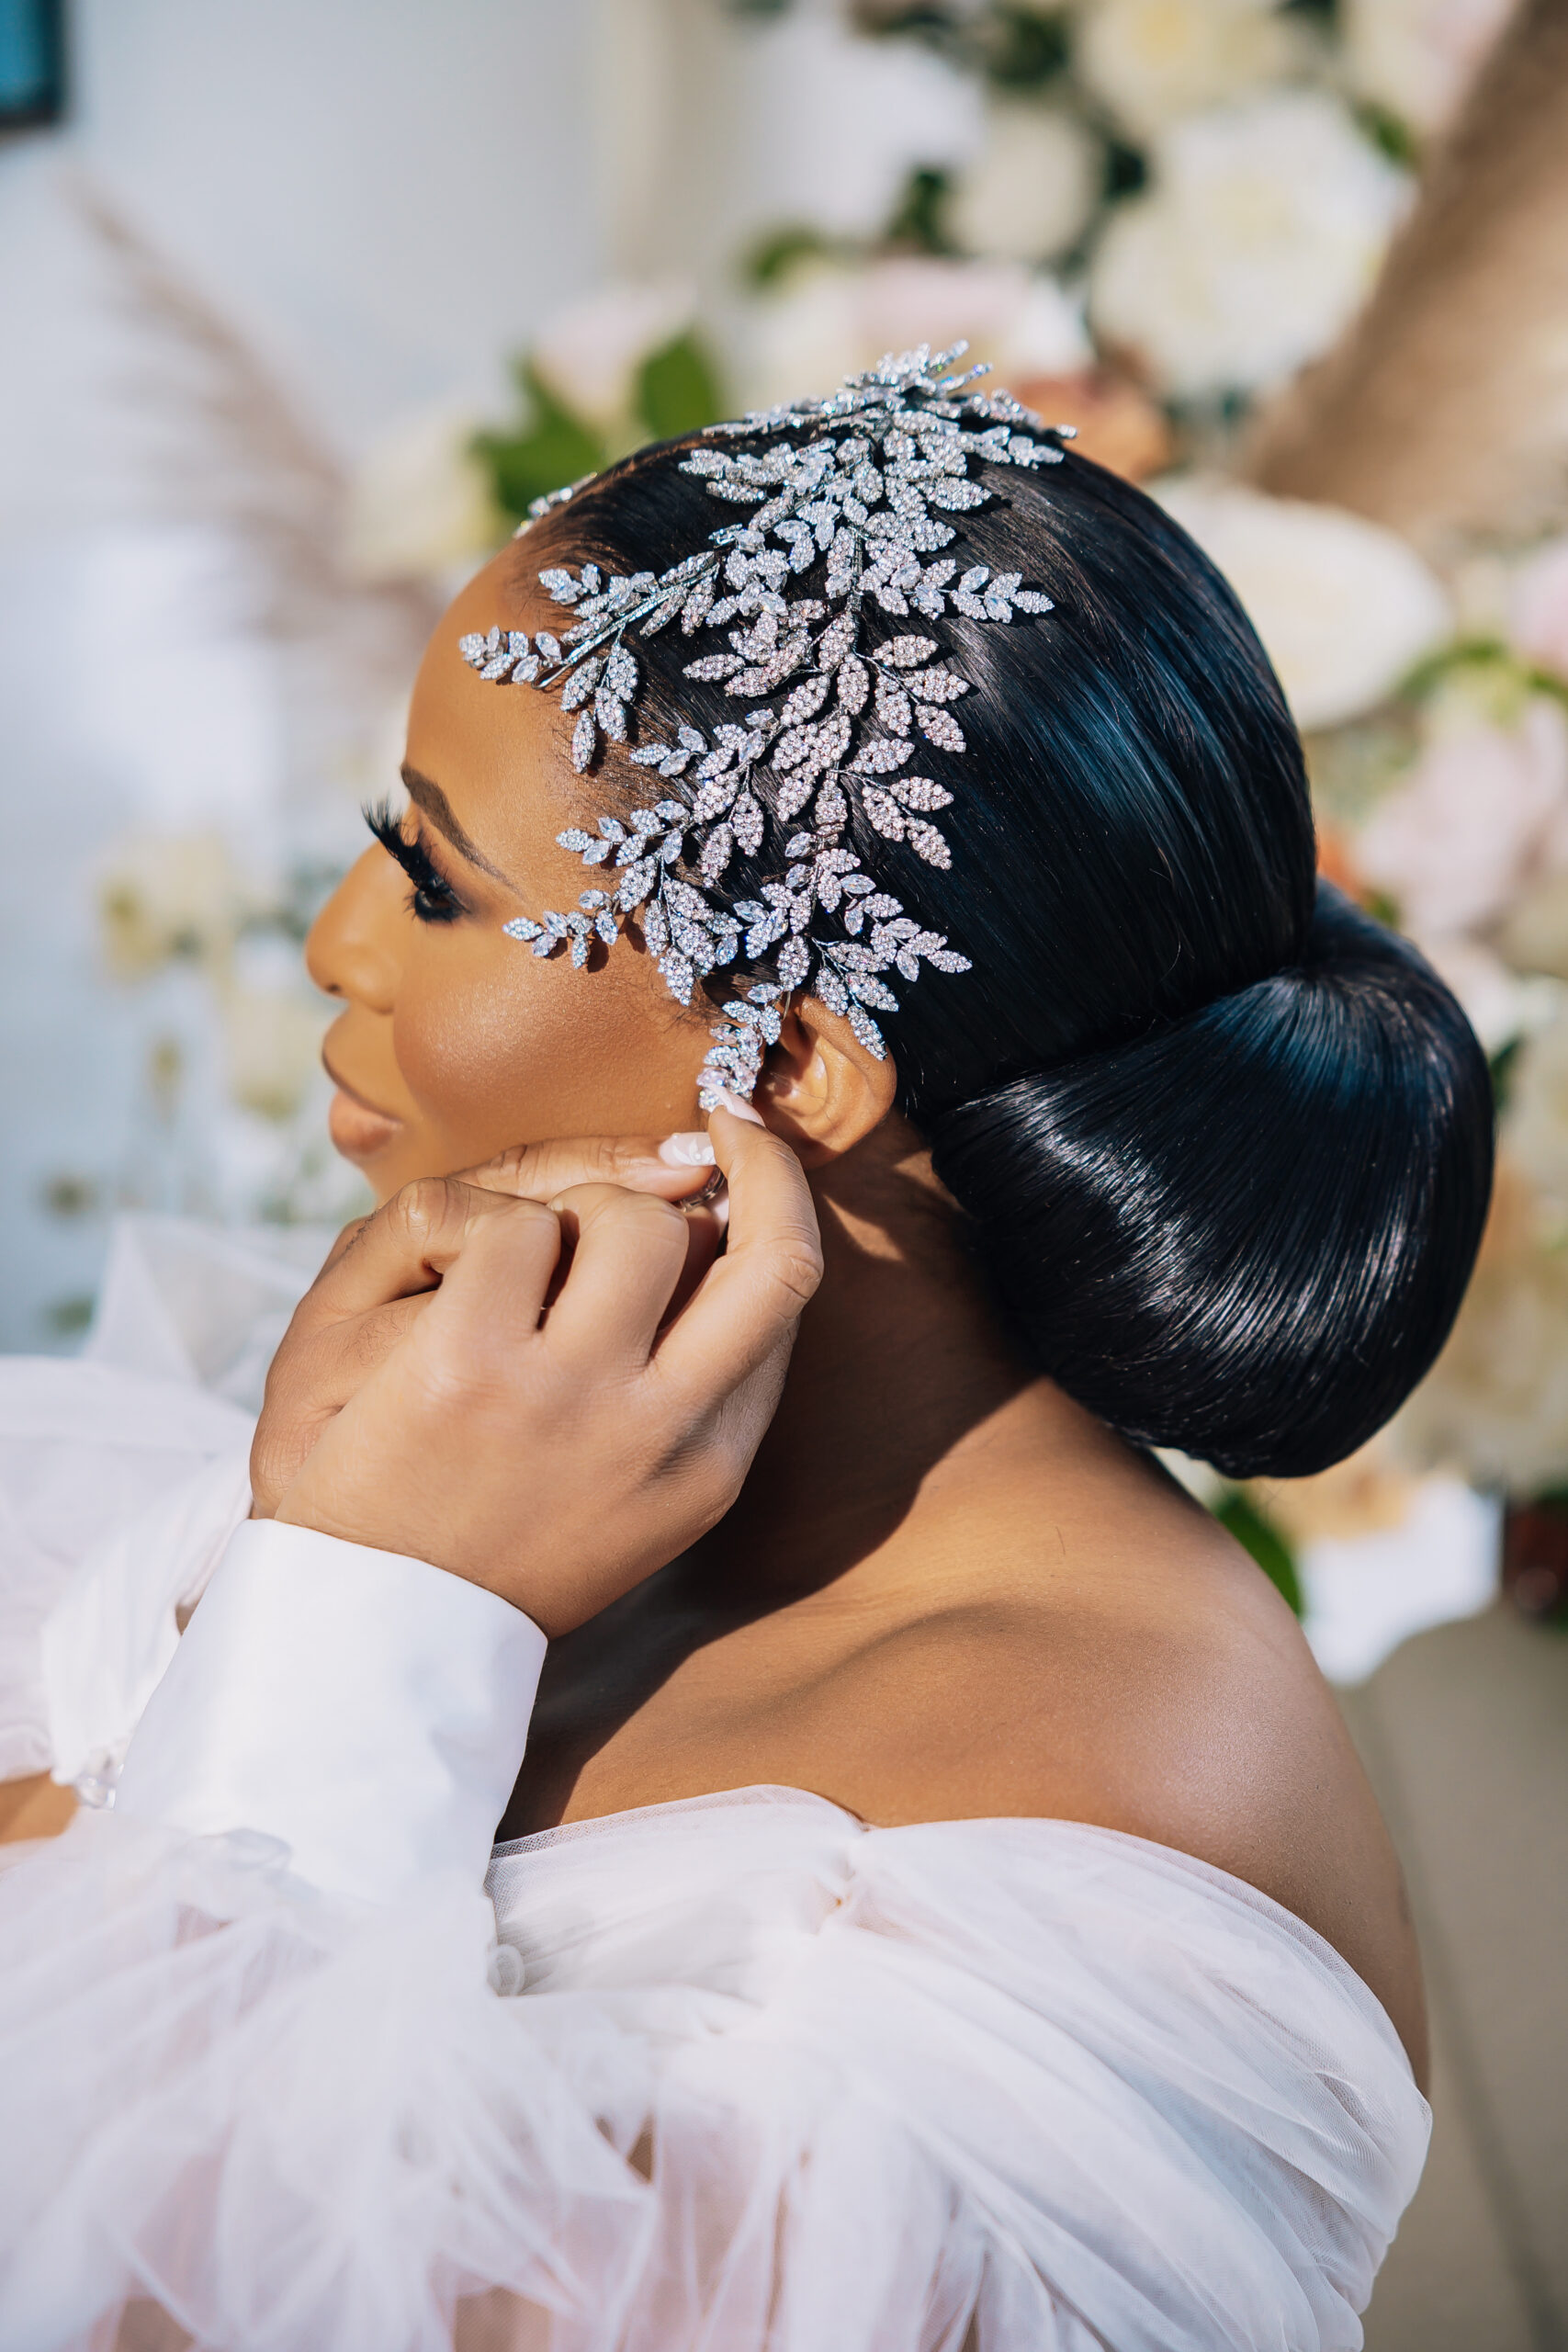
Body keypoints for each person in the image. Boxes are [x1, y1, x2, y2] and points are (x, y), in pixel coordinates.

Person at [0, 354, 1492, 2352]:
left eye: (436, 878)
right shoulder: (490, 1416)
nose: (338, 941)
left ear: (783, 1061)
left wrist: (369, 1619)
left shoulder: (1091, 1862)